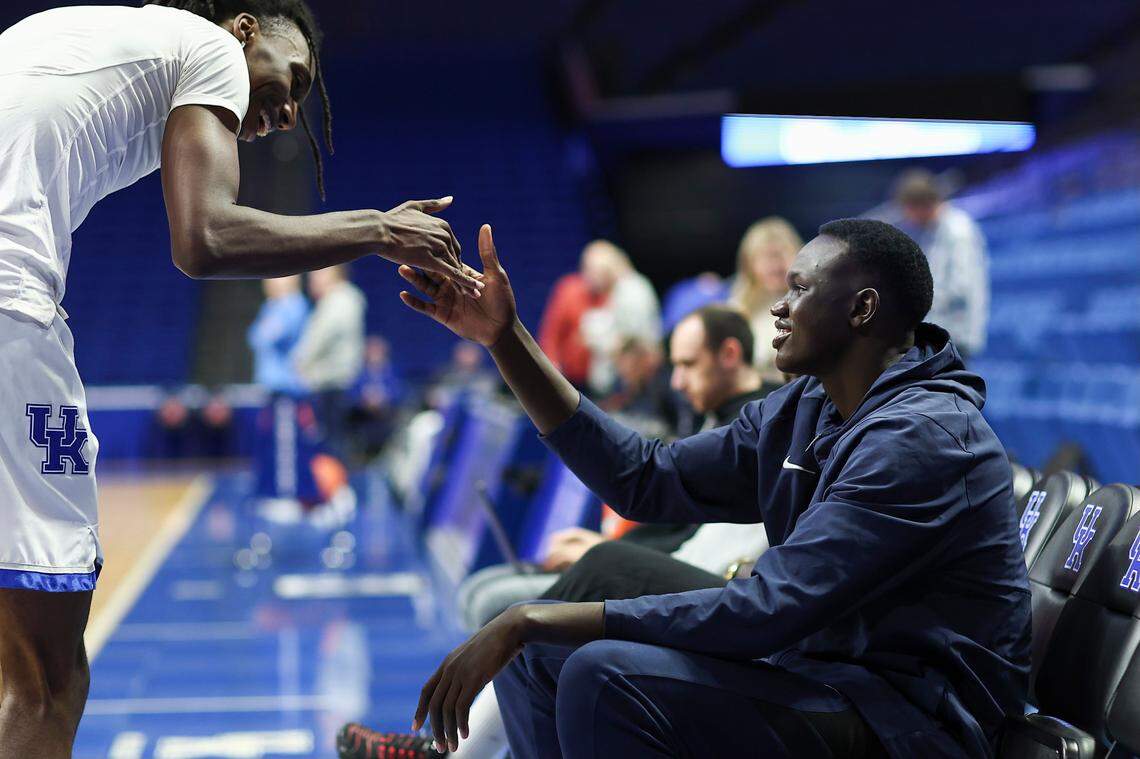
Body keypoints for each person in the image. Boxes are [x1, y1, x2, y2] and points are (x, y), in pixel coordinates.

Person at [0, 2, 481, 754]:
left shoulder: (111, 42)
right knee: (46, 676)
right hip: (7, 307)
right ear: (245, 28)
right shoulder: (208, 48)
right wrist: (379, 229)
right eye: (292, 78)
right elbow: (205, 236)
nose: (288, 111)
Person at [395, 221, 1030, 758]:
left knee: (596, 667)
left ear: (862, 309)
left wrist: (532, 617)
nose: (777, 307)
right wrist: (505, 340)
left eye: (800, 290)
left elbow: (765, 612)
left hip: (910, 719)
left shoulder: (923, 439)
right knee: (556, 635)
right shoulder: (807, 405)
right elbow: (643, 478)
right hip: (823, 667)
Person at [882, 168, 989, 357]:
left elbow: (960, 287)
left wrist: (912, 305)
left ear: (921, 205)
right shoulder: (930, 230)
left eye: (907, 209)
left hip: (954, 337)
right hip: (936, 333)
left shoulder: (958, 230)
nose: (906, 217)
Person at [294, 265, 366, 454]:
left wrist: (300, 361)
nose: (313, 280)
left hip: (333, 384)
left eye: (318, 274)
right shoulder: (342, 299)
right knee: (333, 442)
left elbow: (318, 339)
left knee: (332, 445)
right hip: (333, 384)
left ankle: (338, 483)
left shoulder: (339, 299)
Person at [577, 240, 661, 395]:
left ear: (603, 269)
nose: (587, 278)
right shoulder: (623, 290)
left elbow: (635, 343)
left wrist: (600, 339)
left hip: (632, 386)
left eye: (589, 271)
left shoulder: (631, 291)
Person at [728, 216, 802, 382]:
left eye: (779, 255)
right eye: (765, 257)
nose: (774, 266)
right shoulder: (738, 308)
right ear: (749, 263)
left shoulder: (810, 301)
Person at [536, 271, 604, 389]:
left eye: (602, 271)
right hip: (567, 376)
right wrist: (552, 365)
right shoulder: (569, 291)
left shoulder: (612, 297)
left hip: (598, 381)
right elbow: (551, 334)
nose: (595, 277)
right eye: (592, 270)